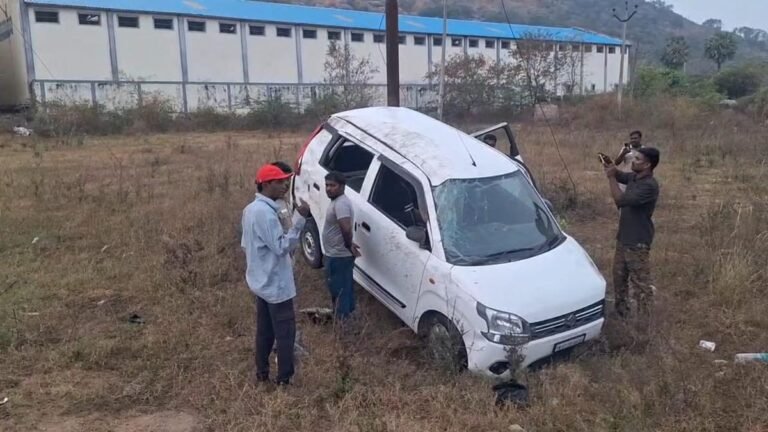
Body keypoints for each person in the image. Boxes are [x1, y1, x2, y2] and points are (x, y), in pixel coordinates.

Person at [241, 164, 310, 386]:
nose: (284, 186)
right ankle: (284, 380)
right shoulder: (265, 214)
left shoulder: (250, 210)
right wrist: (299, 220)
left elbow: (245, 245)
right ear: (267, 184)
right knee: (285, 334)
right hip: (276, 286)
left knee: (264, 332)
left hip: (261, 283)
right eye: (280, 182)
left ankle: (262, 373)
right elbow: (281, 247)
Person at [603, 147, 660, 323]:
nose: (633, 160)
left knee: (641, 286)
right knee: (619, 279)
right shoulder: (635, 177)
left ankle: (644, 324)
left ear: (648, 165)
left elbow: (620, 200)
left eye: (638, 159)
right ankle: (622, 316)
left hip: (637, 242)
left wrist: (611, 176)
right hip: (624, 238)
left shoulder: (649, 186)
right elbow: (621, 175)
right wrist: (611, 166)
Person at [321, 171, 361, 321]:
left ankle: (342, 324)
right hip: (337, 253)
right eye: (327, 185)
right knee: (344, 287)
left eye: (333, 185)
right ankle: (347, 317)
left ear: (342, 186)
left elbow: (346, 228)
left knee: (339, 290)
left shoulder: (341, 204)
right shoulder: (337, 202)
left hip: (338, 255)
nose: (328, 188)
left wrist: (348, 246)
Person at [257, 161, 294, 233]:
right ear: (266, 185)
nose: (286, 184)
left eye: (288, 179)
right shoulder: (263, 209)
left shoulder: (286, 202)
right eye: (280, 181)